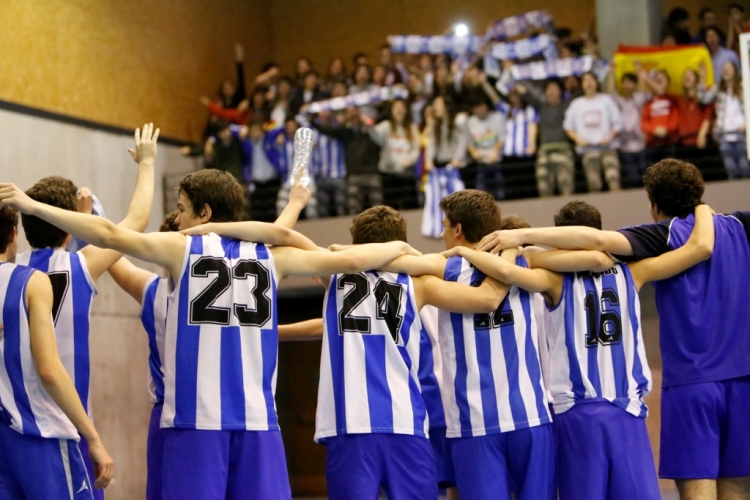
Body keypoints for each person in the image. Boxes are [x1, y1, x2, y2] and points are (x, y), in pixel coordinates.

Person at [0, 168, 420, 500]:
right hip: (258, 425)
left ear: (203, 213)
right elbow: (352, 261)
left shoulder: (182, 249)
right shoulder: (273, 258)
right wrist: (402, 249)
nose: (178, 218)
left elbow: (109, 235)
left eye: (182, 209)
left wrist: (30, 205)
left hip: (194, 423)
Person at [475, 159, 750, 500]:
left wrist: (522, 244)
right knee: (737, 487)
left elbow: (590, 251)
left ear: (653, 204)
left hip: (613, 402)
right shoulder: (640, 269)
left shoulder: (557, 277)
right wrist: (704, 209)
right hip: (662, 400)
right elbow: (697, 248)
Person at [375, 190, 554, 500]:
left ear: (458, 229)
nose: (441, 234)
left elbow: (383, 261)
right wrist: (518, 243)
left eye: (444, 225)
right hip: (530, 414)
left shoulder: (443, 268)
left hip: (474, 423)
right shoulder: (526, 261)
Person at [14, 124, 157, 500]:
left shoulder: (10, 271)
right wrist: (147, 163)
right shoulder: (79, 265)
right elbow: (137, 221)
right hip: (68, 423)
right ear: (69, 229)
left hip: (15, 425)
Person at [0, 206, 114, 499]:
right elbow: (49, 369)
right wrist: (92, 437)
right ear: (14, 233)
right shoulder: (31, 280)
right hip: (38, 432)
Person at [104, 212, 179, 500]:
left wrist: (92, 216)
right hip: (211, 412)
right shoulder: (228, 290)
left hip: (167, 413)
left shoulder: (152, 289)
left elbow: (109, 250)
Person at [311, 106, 383, 214]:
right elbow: (327, 130)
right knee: (353, 208)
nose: (353, 115)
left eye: (354, 112)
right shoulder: (346, 131)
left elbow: (378, 135)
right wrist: (311, 119)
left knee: (379, 208)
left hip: (372, 172)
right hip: (353, 174)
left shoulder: (370, 130)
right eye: (349, 112)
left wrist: (366, 121)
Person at [564, 72, 623, 192]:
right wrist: (578, 139)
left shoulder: (606, 100)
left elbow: (618, 122)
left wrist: (610, 137)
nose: (589, 83)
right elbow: (568, 126)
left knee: (613, 180)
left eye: (591, 80)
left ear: (596, 83)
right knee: (594, 184)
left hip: (607, 148)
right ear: (582, 84)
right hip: (588, 150)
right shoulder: (576, 104)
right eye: (586, 80)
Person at [516, 80, 575, 197]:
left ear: (560, 91)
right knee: (544, 186)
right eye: (549, 89)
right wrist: (516, 78)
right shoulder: (541, 106)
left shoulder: (568, 106)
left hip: (563, 149)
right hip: (544, 150)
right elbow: (525, 92)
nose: (551, 92)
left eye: (554, 89)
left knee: (566, 185)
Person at [700, 61, 750, 179]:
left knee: (745, 168)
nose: (725, 70)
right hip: (724, 135)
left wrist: (747, 125)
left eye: (728, 68)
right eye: (723, 68)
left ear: (735, 71)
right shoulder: (718, 89)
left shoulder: (744, 88)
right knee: (730, 168)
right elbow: (703, 99)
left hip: (742, 134)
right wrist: (702, 78)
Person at [370, 99, 421, 210]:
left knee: (411, 207)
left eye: (401, 108)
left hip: (407, 174)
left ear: (406, 110)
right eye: (397, 108)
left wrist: (410, 160)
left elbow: (417, 149)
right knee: (390, 210)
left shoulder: (412, 127)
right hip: (389, 174)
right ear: (392, 111)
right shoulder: (386, 126)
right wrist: (370, 123)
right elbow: (375, 136)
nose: (399, 110)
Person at [609, 71, 649, 188]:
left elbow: (644, 91)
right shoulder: (618, 101)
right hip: (625, 146)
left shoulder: (639, 99)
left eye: (630, 82)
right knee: (633, 178)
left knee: (646, 178)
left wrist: (639, 71)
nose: (627, 85)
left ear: (635, 85)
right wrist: (612, 72)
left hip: (641, 144)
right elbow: (611, 93)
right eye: (625, 83)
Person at [498, 88, 539, 199]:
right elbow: (494, 98)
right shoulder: (506, 110)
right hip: (508, 155)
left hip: (524, 154)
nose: (514, 97)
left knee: (527, 187)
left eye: (516, 94)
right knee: (511, 187)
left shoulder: (529, 110)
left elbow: (532, 126)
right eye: (512, 94)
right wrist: (484, 83)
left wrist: (532, 144)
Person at [466, 99, 506, 199]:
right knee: (480, 194)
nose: (480, 110)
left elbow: (501, 138)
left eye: (482, 106)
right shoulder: (470, 122)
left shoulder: (497, 117)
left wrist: (495, 152)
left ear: (486, 106)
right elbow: (469, 142)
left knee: (499, 192)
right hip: (481, 162)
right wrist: (474, 152)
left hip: (496, 160)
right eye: (477, 107)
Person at [312, 111, 347, 218]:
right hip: (321, 174)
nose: (325, 114)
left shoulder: (339, 127)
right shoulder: (313, 130)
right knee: (322, 210)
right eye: (323, 111)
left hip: (338, 173)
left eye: (327, 111)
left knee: (342, 207)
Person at [641, 70, 680, 164]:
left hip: (669, 143)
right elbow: (644, 122)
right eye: (656, 80)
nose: (658, 82)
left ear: (668, 83)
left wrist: (667, 129)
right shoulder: (648, 103)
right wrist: (653, 130)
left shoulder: (672, 99)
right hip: (652, 144)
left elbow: (676, 118)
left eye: (661, 80)